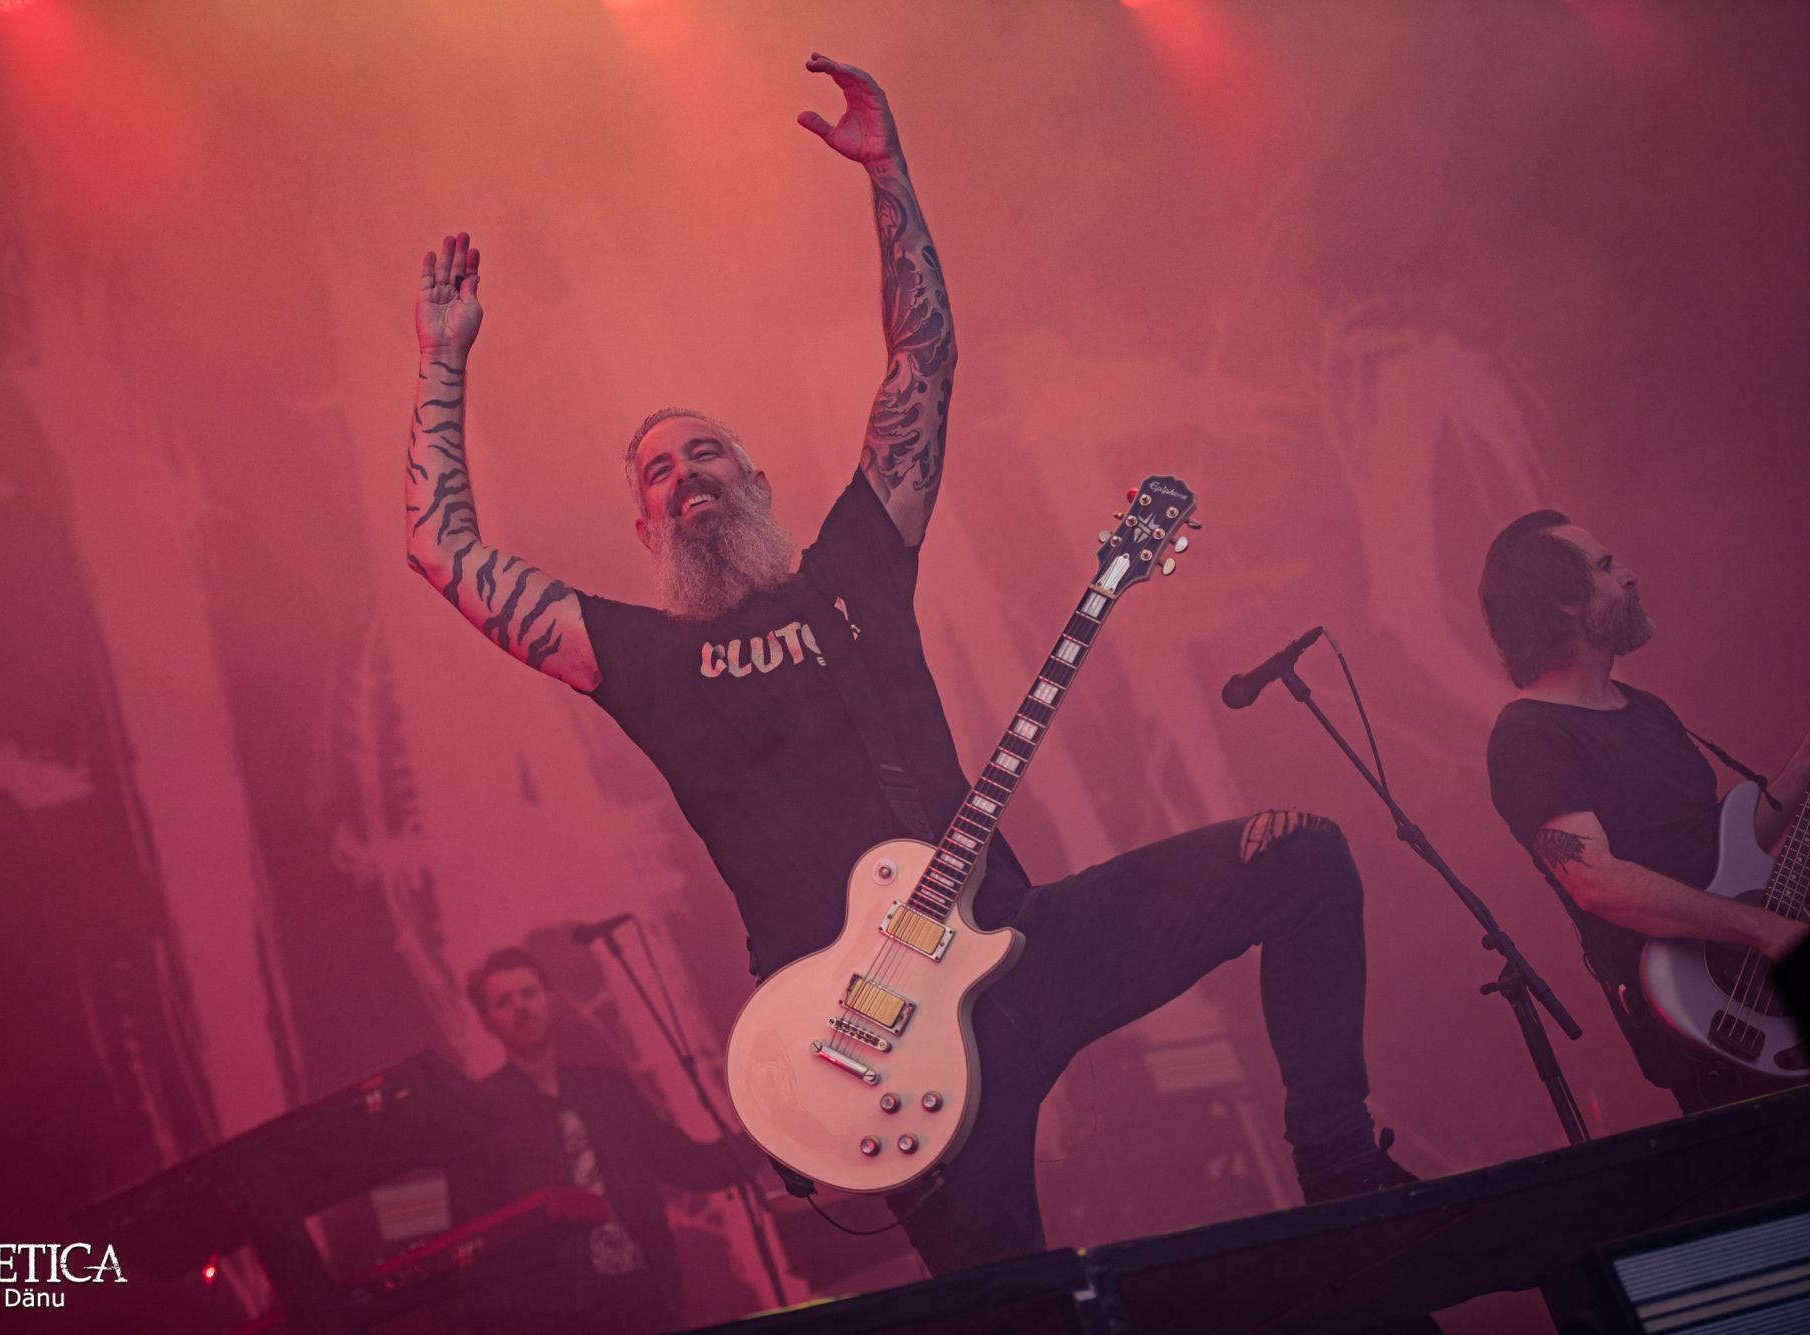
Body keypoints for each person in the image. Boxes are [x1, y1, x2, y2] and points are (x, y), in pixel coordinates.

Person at [404, 54, 1413, 1277]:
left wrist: (887, 176)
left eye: (705, 453)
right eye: (657, 474)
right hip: (869, 1036)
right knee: (1005, 1305)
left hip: (1016, 944)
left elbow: (920, 368)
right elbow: (442, 552)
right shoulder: (643, 657)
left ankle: (1338, 1164)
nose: (684, 477)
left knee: (1302, 856)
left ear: (756, 480)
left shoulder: (853, 566)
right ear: (641, 527)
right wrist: (444, 362)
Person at [1480, 510, 1810, 1112]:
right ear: (1563, 604)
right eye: (1607, 566)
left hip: (1761, 980)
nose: (1630, 575)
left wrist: (1803, 767)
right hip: (1713, 1023)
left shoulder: (1647, 709)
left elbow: (1724, 852)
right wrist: (1763, 927)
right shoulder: (1529, 735)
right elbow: (1598, 884)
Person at [450, 948, 745, 1332]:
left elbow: (685, 1163)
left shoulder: (607, 1090)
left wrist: (765, 1142)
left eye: (528, 993)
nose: (520, 1007)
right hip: (556, 1316)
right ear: (486, 1022)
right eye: (504, 1001)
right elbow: (476, 1235)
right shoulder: (481, 1114)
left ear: (551, 1001)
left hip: (646, 1295)